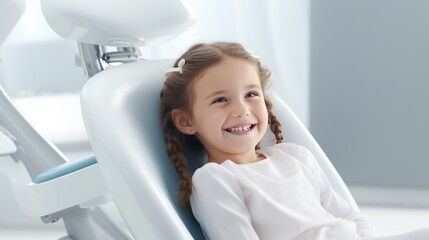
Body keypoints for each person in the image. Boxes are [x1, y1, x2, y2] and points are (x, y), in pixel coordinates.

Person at [160, 42, 429, 239]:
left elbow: (350, 216)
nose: (241, 110)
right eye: (220, 100)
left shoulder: (295, 156)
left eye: (251, 94)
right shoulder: (215, 179)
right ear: (186, 121)